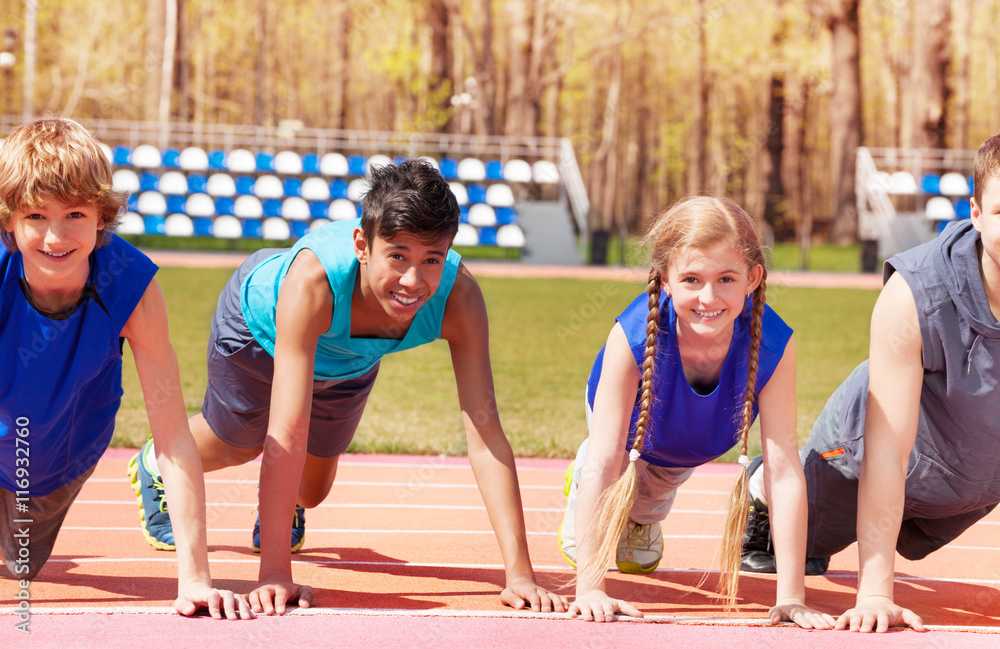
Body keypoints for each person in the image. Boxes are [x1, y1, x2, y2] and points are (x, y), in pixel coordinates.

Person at [133, 159, 566, 616]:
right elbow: (288, 431)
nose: (413, 281)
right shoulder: (313, 283)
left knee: (312, 491)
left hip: (349, 361)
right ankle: (155, 461)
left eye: (431, 260)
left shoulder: (458, 298)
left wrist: (521, 576)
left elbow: (485, 433)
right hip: (259, 330)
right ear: (362, 244)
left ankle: (281, 508)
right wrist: (275, 574)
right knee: (239, 444)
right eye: (397, 255)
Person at [741, 133, 1000, 633]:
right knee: (807, 543)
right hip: (874, 450)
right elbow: (888, 452)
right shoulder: (916, 294)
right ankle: (760, 488)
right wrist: (877, 592)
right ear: (975, 211)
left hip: (975, 465)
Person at [0, 118, 250, 620]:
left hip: (54, 457)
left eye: (74, 213)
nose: (55, 236)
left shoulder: (129, 286)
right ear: (9, 222)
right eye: (34, 216)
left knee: (17, 567)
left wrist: (195, 578)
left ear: (101, 216)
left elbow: (175, 438)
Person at [560, 196, 833, 628]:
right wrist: (590, 587)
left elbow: (782, 469)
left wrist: (792, 595)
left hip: (699, 438)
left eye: (726, 278)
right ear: (665, 279)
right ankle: (617, 502)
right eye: (691, 279)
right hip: (630, 434)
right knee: (614, 474)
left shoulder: (774, 345)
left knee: (654, 493)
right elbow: (608, 456)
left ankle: (643, 510)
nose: (709, 297)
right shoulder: (630, 337)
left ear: (753, 278)